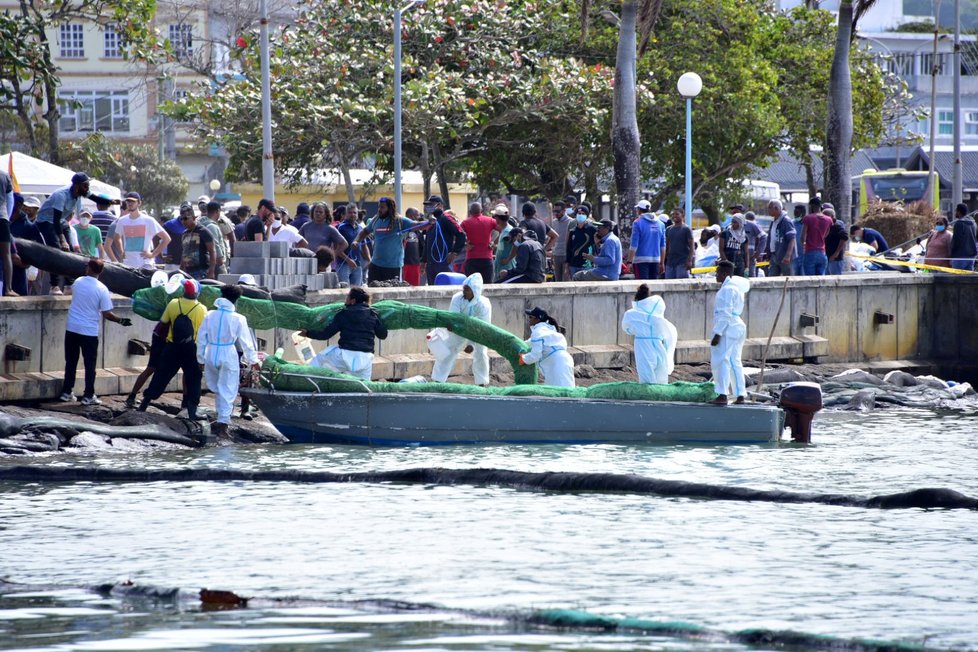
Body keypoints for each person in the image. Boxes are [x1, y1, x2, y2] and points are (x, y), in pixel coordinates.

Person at [59, 258, 132, 404]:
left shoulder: (78, 282)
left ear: (88, 269)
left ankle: (66, 392)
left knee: (71, 362)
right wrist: (121, 321)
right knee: (89, 365)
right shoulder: (102, 289)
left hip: (72, 327)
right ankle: (88, 396)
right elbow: (107, 313)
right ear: (101, 271)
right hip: (89, 331)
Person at [196, 284, 260, 437]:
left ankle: (221, 418)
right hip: (228, 352)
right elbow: (246, 342)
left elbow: (201, 338)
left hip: (211, 352)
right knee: (228, 388)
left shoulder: (210, 314)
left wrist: (200, 358)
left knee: (218, 387)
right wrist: (253, 360)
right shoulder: (239, 318)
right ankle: (223, 426)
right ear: (236, 300)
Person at [138, 278, 207, 419]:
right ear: (197, 293)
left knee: (161, 375)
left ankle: (144, 403)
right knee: (193, 378)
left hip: (172, 347)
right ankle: (192, 411)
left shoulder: (174, 303)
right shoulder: (202, 309)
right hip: (192, 349)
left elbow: (163, 322)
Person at [304, 287, 388, 380]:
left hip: (344, 356)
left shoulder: (343, 314)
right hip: (366, 357)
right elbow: (383, 335)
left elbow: (325, 334)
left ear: (353, 301)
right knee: (363, 386)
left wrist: (307, 333)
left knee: (319, 360)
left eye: (347, 296)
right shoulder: (373, 315)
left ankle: (306, 380)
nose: (346, 299)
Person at [35, 173, 97, 294]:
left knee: (70, 253)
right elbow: (55, 220)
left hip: (61, 222)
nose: (87, 188)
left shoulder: (79, 194)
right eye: (85, 185)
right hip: (47, 221)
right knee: (56, 250)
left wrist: (110, 201)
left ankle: (69, 283)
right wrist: (62, 240)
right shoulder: (61, 195)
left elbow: (96, 198)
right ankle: (54, 286)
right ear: (77, 186)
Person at [430, 273, 491, 385]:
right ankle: (438, 379)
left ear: (475, 291)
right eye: (464, 288)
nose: (464, 292)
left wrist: (471, 344)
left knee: (481, 351)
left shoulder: (484, 305)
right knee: (449, 348)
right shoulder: (457, 299)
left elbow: (482, 328)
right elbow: (454, 318)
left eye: (467, 289)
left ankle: (482, 382)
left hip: (477, 330)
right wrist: (452, 327)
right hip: (458, 327)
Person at [352, 196, 419, 283]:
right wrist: (356, 241)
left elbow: (417, 225)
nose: (380, 209)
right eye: (379, 207)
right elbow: (365, 231)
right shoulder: (375, 219)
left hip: (393, 267)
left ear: (390, 208)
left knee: (391, 294)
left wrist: (429, 222)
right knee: (373, 292)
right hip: (375, 265)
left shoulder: (399, 221)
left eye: (382, 207)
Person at [710, 260, 750, 406]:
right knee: (735, 361)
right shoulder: (735, 288)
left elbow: (725, 314)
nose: (716, 275)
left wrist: (718, 334)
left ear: (725, 273)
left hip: (728, 326)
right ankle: (740, 395)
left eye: (718, 272)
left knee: (721, 360)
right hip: (737, 325)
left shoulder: (727, 290)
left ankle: (722, 394)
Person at [621, 284, 677, 384]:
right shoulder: (659, 317)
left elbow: (627, 329)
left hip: (643, 346)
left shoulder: (631, 314)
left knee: (646, 379)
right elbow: (670, 335)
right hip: (658, 346)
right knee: (661, 378)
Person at [520, 306, 574, 387]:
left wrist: (523, 358)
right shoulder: (547, 329)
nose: (529, 319)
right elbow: (529, 342)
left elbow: (535, 356)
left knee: (559, 393)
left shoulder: (538, 332)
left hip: (557, 365)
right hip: (564, 361)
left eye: (531, 317)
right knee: (565, 390)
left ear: (537, 319)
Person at [420, 195, 466, 284]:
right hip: (431, 264)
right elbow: (427, 242)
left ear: (440, 205)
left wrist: (454, 252)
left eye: (431, 204)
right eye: (428, 205)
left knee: (443, 287)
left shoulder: (446, 219)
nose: (429, 207)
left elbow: (461, 235)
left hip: (443, 262)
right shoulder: (431, 221)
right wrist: (423, 260)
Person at [629, 200, 666, 279]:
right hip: (656, 260)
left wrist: (629, 261)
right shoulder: (661, 224)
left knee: (642, 287)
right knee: (653, 286)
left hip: (640, 260)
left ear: (639, 209)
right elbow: (663, 246)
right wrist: (662, 263)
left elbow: (634, 245)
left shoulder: (637, 223)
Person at [460, 202, 496, 284]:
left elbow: (457, 235)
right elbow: (503, 228)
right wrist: (494, 242)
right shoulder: (490, 220)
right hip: (487, 258)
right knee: (488, 286)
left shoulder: (465, 222)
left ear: (470, 212)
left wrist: (466, 244)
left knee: (472, 286)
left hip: (472, 258)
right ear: (482, 211)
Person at [179, 208, 217, 280]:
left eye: (185, 218)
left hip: (201, 271)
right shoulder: (184, 233)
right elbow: (184, 252)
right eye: (181, 219)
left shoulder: (203, 231)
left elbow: (212, 251)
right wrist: (181, 268)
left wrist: (211, 271)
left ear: (193, 218)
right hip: (187, 272)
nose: (183, 221)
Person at [336, 203, 368, 286]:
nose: (352, 214)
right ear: (346, 214)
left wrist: (369, 260)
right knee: (344, 291)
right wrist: (348, 260)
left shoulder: (360, 228)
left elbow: (364, 246)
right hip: (343, 264)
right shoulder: (340, 227)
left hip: (358, 265)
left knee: (357, 291)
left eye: (355, 213)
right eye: (350, 212)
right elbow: (336, 249)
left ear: (357, 214)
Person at [800, 197, 831, 276]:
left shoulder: (808, 218)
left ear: (812, 206)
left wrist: (803, 243)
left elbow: (803, 236)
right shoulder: (828, 219)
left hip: (810, 251)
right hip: (822, 252)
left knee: (810, 280)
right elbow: (826, 234)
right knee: (821, 280)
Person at [765, 199, 796, 277]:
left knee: (788, 279)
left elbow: (792, 239)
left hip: (784, 256)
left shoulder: (786, 221)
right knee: (772, 280)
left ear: (776, 208)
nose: (768, 210)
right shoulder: (774, 221)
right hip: (775, 256)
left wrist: (788, 255)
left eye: (769, 208)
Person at [566, 205, 597, 277]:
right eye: (579, 213)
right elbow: (568, 248)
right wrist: (567, 264)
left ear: (587, 216)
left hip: (587, 264)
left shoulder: (592, 229)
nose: (580, 215)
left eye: (583, 214)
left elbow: (597, 245)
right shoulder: (572, 231)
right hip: (574, 264)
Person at [199, 202, 229, 276]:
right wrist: (221, 261)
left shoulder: (201, 224)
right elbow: (215, 245)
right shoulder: (212, 226)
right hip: (215, 265)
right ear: (218, 211)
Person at [663, 208, 694, 279]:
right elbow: (666, 246)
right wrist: (663, 260)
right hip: (670, 262)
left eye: (677, 214)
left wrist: (689, 261)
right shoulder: (668, 229)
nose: (674, 216)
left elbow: (691, 247)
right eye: (673, 214)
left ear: (682, 215)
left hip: (682, 262)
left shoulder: (686, 229)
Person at [89, 195, 119, 261]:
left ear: (97, 205)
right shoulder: (115, 220)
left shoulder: (89, 219)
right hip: (110, 254)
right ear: (109, 206)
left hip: (92, 253)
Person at [491, 206, 517, 282]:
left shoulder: (507, 232)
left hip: (506, 268)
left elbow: (516, 245)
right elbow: (503, 247)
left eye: (495, 217)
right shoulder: (504, 229)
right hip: (501, 267)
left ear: (498, 219)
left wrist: (508, 259)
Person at [549, 200, 573, 281]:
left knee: (566, 280)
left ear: (564, 210)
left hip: (566, 255)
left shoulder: (571, 222)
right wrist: (552, 254)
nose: (556, 213)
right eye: (554, 211)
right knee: (557, 279)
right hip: (556, 254)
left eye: (558, 211)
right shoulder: (554, 222)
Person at [950, 203, 978, 271]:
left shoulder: (959, 224)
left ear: (959, 212)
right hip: (971, 256)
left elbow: (956, 241)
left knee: (957, 279)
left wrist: (951, 252)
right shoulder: (973, 223)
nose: (955, 213)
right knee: (968, 280)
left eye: (956, 211)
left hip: (959, 257)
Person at [0, 169, 15, 296]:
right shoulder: (4, 175)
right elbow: (11, 200)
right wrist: (7, 217)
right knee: (6, 254)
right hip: (2, 218)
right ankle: (8, 289)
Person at [401, 208, 422, 286]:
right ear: (412, 216)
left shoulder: (418, 229)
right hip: (405, 262)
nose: (419, 217)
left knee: (415, 286)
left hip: (416, 262)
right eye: (417, 215)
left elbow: (421, 245)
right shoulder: (403, 228)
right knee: (406, 285)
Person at [743, 211, 766, 277]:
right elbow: (763, 238)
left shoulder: (753, 225)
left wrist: (758, 253)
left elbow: (763, 237)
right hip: (748, 256)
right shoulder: (754, 225)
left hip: (750, 257)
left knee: (749, 278)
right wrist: (758, 253)